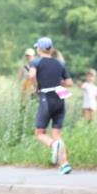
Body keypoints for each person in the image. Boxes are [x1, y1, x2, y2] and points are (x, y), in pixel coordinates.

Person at [28, 37, 73, 174]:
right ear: (51, 48)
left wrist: (35, 87)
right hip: (60, 97)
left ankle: (53, 145)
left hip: (46, 98)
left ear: (39, 49)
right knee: (56, 133)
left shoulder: (36, 61)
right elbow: (69, 82)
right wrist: (56, 82)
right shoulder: (60, 63)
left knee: (40, 133)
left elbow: (31, 76)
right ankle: (64, 164)